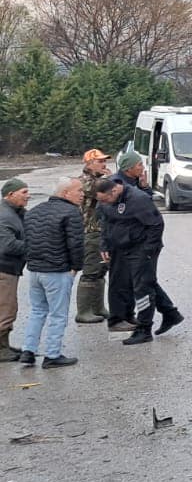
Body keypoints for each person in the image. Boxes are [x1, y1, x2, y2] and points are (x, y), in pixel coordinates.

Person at [95, 177, 182, 345]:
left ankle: (144, 329)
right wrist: (104, 245)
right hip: (120, 248)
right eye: (101, 201)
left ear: (114, 190)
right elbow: (106, 222)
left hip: (141, 248)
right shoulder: (106, 201)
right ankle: (170, 313)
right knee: (144, 282)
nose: (104, 203)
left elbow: (156, 225)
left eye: (106, 200)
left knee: (142, 288)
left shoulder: (138, 199)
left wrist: (147, 251)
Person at [17, 178, 85, 368]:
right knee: (58, 314)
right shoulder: (71, 213)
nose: (82, 194)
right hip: (58, 270)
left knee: (37, 311)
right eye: (79, 190)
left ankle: (28, 350)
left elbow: (28, 240)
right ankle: (52, 354)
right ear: (65, 193)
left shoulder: (34, 211)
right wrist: (76, 267)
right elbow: (76, 244)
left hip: (36, 270)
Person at [74, 149, 113, 324]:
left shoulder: (99, 180)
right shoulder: (84, 181)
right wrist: (107, 180)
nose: (104, 165)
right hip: (89, 232)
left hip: (101, 231)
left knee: (100, 270)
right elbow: (97, 191)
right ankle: (83, 311)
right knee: (90, 270)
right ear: (89, 164)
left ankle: (98, 307)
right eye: (100, 161)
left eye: (104, 161)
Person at [0, 178, 28, 362]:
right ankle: (1, 349)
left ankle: (5, 345)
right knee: (6, 308)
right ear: (10, 194)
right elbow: (7, 246)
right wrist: (34, 246)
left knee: (7, 307)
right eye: (24, 192)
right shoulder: (4, 216)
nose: (28, 195)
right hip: (4, 269)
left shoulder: (14, 212)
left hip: (9, 268)